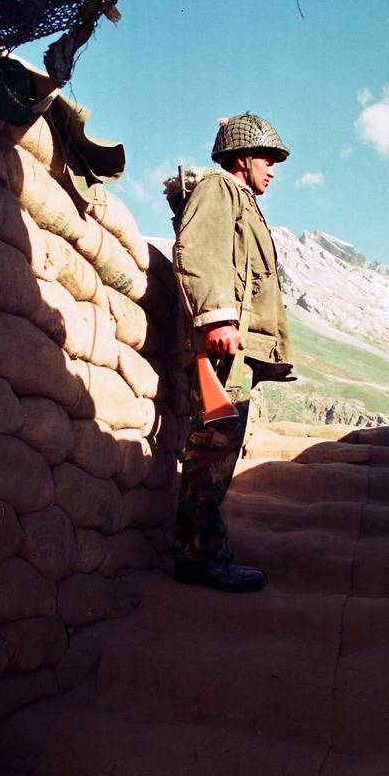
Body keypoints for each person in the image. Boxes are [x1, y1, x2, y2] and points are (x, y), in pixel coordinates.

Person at [171, 112, 295, 592]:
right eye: (267, 158)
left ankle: (201, 550)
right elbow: (198, 252)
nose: (273, 169)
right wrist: (217, 317)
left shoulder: (242, 199)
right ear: (242, 158)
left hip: (236, 352)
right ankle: (200, 556)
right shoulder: (220, 190)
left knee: (219, 450)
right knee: (212, 451)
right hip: (222, 345)